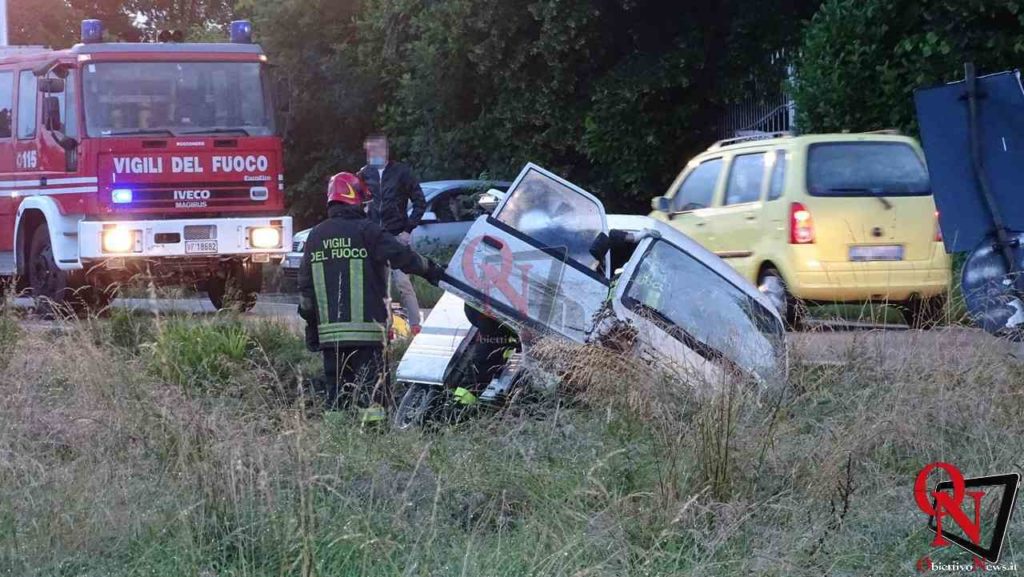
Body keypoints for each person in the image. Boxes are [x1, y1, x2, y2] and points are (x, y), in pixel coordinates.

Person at [298, 172, 444, 422]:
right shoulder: (367, 231)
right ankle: (374, 440)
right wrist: (434, 271)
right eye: (364, 202)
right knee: (372, 398)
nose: (366, 208)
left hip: (330, 338)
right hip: (368, 336)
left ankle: (338, 446)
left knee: (336, 400)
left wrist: (313, 330)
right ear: (354, 199)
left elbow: (305, 292)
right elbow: (403, 256)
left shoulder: (315, 236)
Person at [358, 134, 428, 335]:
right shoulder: (363, 175)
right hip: (374, 236)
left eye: (377, 149)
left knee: (403, 283)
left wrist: (408, 230)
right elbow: (357, 204)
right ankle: (386, 327)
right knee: (379, 284)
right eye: (369, 151)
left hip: (397, 234)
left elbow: (419, 202)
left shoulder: (401, 172)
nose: (373, 154)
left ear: (386, 150)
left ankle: (415, 325)